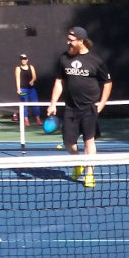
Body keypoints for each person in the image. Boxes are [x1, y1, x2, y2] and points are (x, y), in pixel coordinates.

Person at [47, 26, 112, 189]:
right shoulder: (64, 59)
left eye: (71, 40)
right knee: (69, 143)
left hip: (89, 108)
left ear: (80, 41)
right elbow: (59, 82)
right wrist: (53, 102)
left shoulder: (96, 61)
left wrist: (102, 102)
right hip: (70, 108)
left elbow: (107, 82)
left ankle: (89, 173)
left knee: (89, 141)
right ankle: (79, 163)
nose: (68, 42)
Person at [15, 54, 41, 127]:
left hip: (31, 89)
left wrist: (32, 80)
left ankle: (38, 119)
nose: (23, 60)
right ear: (20, 60)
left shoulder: (31, 67)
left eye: (25, 59)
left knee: (35, 104)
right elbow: (17, 79)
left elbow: (34, 76)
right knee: (24, 105)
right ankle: (26, 120)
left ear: (27, 60)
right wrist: (18, 89)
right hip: (23, 89)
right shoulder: (18, 68)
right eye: (22, 59)